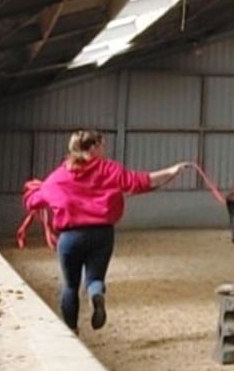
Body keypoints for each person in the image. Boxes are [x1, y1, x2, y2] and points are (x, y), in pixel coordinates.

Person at [23, 129, 189, 333]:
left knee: (70, 286)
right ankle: (95, 295)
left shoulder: (57, 177)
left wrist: (42, 193)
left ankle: (71, 330)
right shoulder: (110, 169)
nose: (104, 149)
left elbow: (32, 202)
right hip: (101, 235)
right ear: (93, 147)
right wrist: (172, 171)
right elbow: (141, 181)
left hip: (70, 237)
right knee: (95, 279)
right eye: (102, 145)